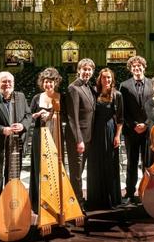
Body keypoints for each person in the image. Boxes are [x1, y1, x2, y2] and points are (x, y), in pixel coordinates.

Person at [0, 71, 32, 220]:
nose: (7, 84)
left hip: (16, 147)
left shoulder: (21, 97)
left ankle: (12, 208)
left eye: (10, 81)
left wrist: (23, 126)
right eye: (3, 82)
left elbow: (28, 115)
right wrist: (2, 129)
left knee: (13, 179)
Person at [86, 68, 123, 210]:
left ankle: (111, 199)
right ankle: (95, 199)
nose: (106, 80)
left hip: (110, 131)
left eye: (109, 78)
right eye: (104, 78)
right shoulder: (94, 93)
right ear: (100, 79)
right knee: (95, 165)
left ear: (112, 79)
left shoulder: (117, 95)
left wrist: (117, 136)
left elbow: (120, 118)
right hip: (95, 132)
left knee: (109, 165)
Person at [29, 67, 64, 214]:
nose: (48, 85)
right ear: (42, 83)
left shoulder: (60, 97)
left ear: (55, 82)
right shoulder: (37, 98)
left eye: (50, 82)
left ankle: (56, 198)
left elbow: (66, 116)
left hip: (55, 135)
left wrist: (54, 116)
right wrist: (37, 114)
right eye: (45, 82)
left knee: (55, 166)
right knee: (40, 167)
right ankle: (39, 201)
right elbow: (29, 116)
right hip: (39, 134)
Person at [119, 56, 153, 205]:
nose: (137, 69)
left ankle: (147, 191)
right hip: (131, 131)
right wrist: (133, 124)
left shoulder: (153, 84)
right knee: (131, 163)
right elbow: (122, 110)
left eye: (139, 67)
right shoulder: (124, 86)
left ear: (144, 68)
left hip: (148, 130)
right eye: (134, 67)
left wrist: (146, 124)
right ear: (131, 69)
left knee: (148, 162)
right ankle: (130, 193)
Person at [64, 58, 96, 204]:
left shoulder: (89, 87)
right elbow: (72, 117)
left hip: (88, 137)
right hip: (78, 139)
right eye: (84, 69)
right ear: (79, 70)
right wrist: (79, 140)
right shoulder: (73, 88)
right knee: (76, 174)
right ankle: (76, 203)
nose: (87, 72)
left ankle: (75, 200)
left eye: (89, 70)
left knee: (81, 171)